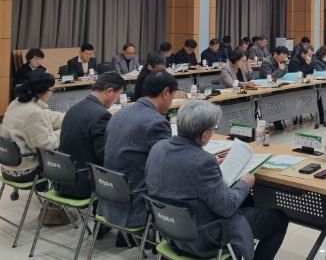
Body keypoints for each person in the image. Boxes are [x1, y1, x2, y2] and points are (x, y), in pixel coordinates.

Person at [146, 101, 289, 259]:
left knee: (247, 201)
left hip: (170, 231)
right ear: (204, 134)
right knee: (279, 219)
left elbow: (181, 169)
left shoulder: (158, 148)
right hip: (202, 239)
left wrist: (212, 162)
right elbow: (227, 207)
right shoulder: (202, 161)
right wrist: (245, 183)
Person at [100, 71, 178, 230]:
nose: (171, 102)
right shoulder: (157, 122)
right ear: (165, 93)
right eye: (173, 96)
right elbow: (166, 167)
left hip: (108, 198)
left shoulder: (119, 114)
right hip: (136, 206)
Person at [0, 72, 68, 225]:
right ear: (44, 91)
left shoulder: (17, 103)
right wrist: (63, 131)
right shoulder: (34, 113)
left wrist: (70, 117)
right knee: (67, 159)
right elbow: (47, 146)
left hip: (7, 167)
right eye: (52, 90)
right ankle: (54, 208)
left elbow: (49, 117)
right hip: (26, 172)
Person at [56, 73, 125, 199]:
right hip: (85, 184)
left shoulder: (73, 108)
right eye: (118, 95)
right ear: (109, 91)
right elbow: (104, 156)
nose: (117, 100)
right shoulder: (101, 115)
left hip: (63, 179)